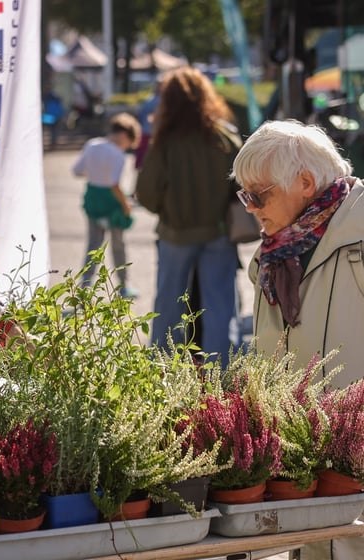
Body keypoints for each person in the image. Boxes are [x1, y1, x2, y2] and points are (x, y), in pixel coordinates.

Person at [233, 123, 363, 560]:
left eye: (259, 194)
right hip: (302, 460)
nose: (251, 208)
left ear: (305, 183)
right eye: (244, 196)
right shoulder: (273, 257)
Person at [136, 66, 242, 368]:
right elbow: (242, 185)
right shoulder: (225, 136)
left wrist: (167, 210)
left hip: (176, 233)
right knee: (221, 307)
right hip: (219, 232)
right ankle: (222, 377)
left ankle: (161, 372)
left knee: (168, 305)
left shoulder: (165, 141)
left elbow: (145, 191)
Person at [71, 112, 140, 297]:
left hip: (92, 199)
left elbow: (77, 171)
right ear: (125, 135)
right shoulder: (118, 154)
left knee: (92, 247)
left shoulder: (92, 145)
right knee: (118, 246)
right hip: (112, 203)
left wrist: (96, 173)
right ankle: (124, 286)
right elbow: (114, 184)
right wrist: (126, 205)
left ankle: (84, 289)